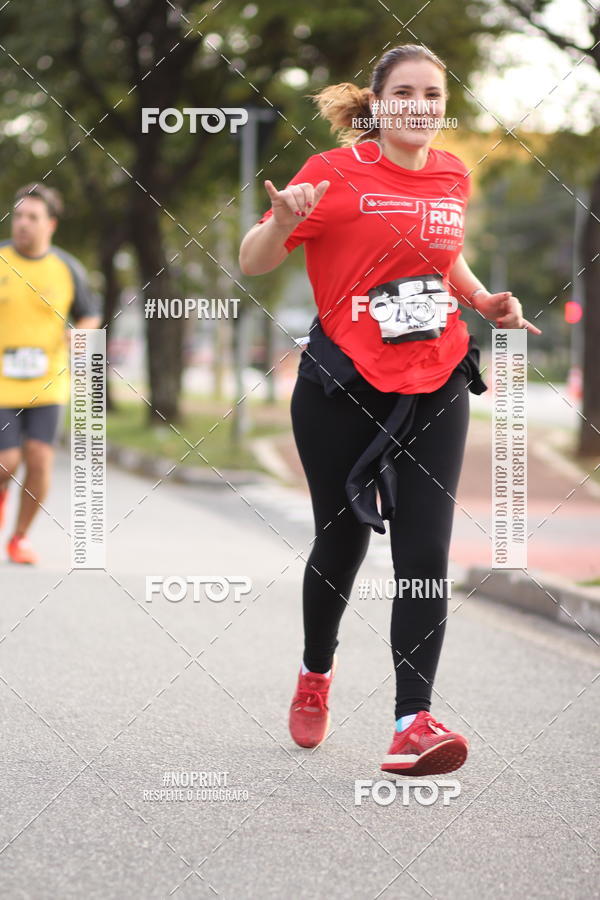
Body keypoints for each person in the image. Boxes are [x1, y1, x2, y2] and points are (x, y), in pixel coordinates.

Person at [239, 44, 541, 775]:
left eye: (432, 94)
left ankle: (413, 722)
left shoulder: (451, 174)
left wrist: (481, 300)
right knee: (342, 546)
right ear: (376, 104)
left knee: (426, 553)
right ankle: (316, 673)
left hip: (435, 376)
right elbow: (254, 260)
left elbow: (443, 255)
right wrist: (281, 222)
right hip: (343, 385)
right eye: (403, 92)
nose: (419, 106)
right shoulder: (332, 174)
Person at [0, 183, 101, 564]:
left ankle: (18, 539)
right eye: (18, 216)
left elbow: (89, 312)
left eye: (32, 217)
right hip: (0, 383)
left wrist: (81, 334)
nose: (22, 224)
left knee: (40, 463)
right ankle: (2, 488)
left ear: (51, 225)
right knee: (6, 461)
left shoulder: (67, 268)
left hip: (48, 383)